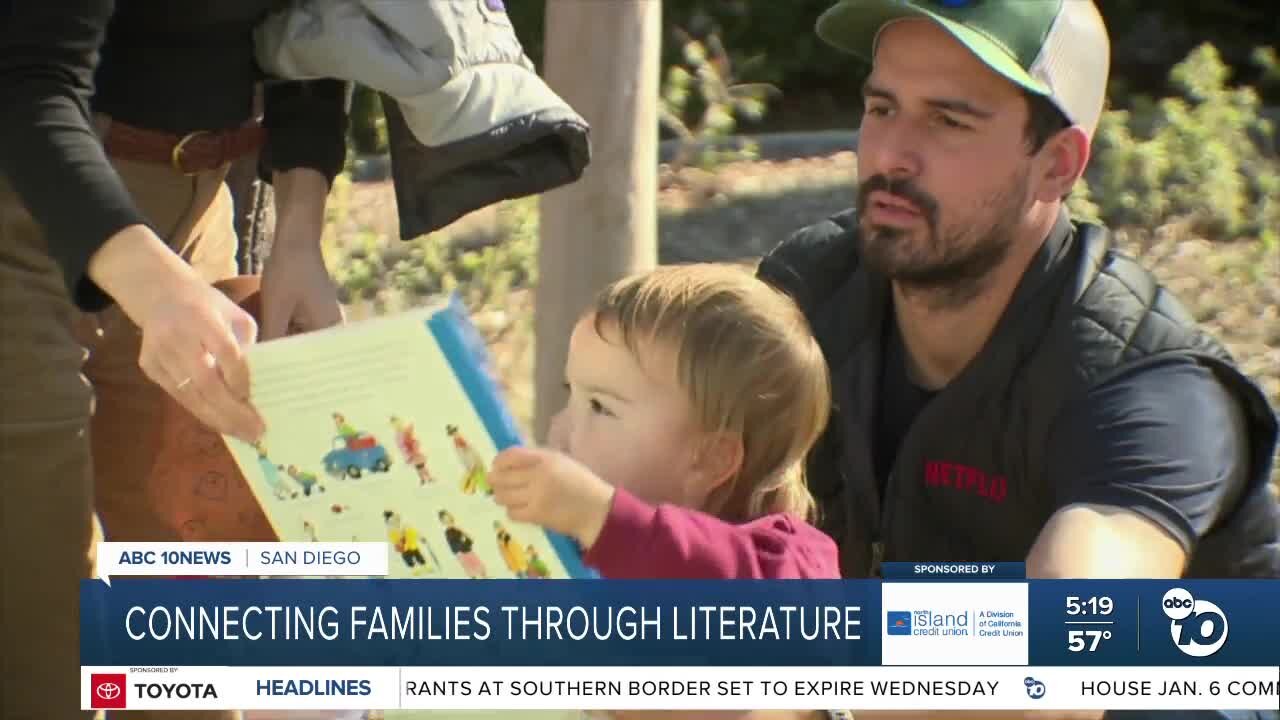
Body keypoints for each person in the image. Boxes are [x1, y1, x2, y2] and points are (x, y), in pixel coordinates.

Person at [755, 0, 1280, 586]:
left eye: (947, 121)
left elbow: (1080, 618)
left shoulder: (1145, 384)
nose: (888, 155)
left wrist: (858, 629)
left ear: (1057, 166)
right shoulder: (810, 292)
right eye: (882, 108)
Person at [0, 2, 348, 718]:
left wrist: (299, 232)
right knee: (47, 636)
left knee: (189, 625)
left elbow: (321, 25)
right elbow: (21, 75)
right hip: (22, 185)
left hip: (191, 204)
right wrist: (154, 291)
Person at [489, 263, 840, 581]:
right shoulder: (578, 544)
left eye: (600, 406)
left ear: (709, 460)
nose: (559, 427)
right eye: (571, 394)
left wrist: (600, 516)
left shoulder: (789, 567)